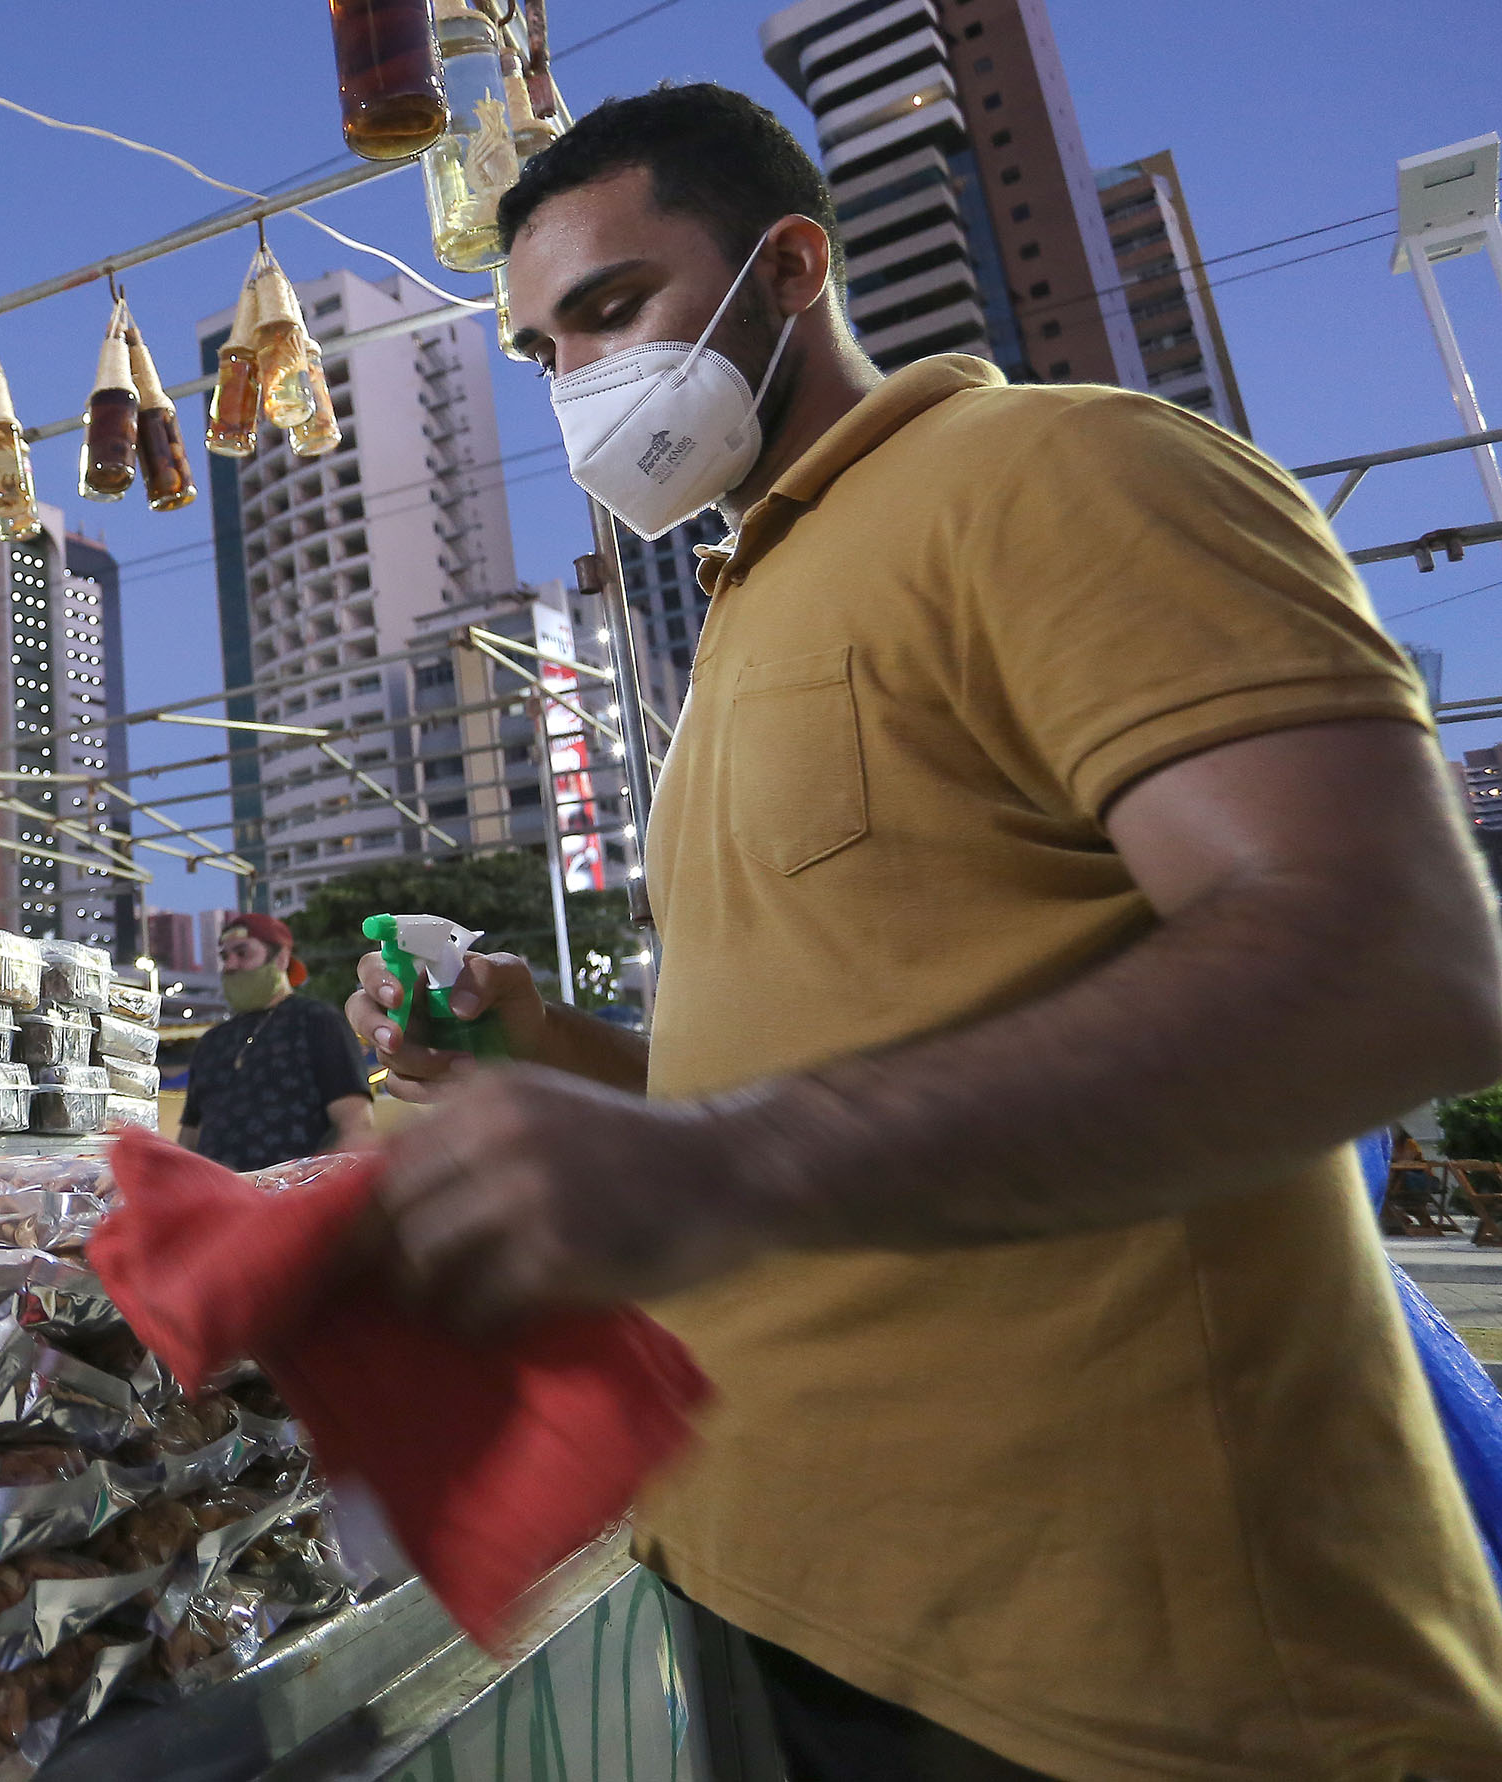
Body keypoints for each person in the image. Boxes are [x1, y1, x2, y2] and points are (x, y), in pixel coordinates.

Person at [346, 83, 1502, 1779]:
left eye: (612, 308)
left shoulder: (1055, 470)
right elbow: (836, 1052)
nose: (582, 383)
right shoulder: (744, 614)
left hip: (1112, 1680)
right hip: (778, 1590)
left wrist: (734, 1162)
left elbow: (1394, 956)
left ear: (791, 266)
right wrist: (575, 1067)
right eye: (541, 353)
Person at [178, 912, 374, 1171]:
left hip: (298, 1200)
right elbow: (188, 1140)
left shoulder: (317, 1021)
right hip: (219, 1202)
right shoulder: (212, 1042)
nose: (230, 965)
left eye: (243, 952)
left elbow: (356, 1125)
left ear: (281, 958)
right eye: (225, 956)